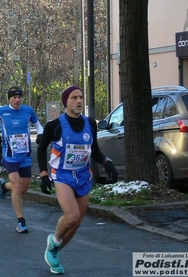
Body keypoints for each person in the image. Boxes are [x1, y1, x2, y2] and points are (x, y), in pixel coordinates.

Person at [37, 85, 118, 274]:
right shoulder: (54, 125)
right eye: (74, 98)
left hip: (83, 175)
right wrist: (43, 175)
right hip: (62, 175)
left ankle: (55, 251)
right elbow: (41, 149)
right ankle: (54, 241)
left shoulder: (90, 123)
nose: (79, 101)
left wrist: (107, 163)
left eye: (81, 97)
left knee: (77, 221)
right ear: (66, 102)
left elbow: (94, 150)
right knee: (71, 216)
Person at [0, 86, 44, 233]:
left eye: (19, 97)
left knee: (23, 189)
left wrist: (40, 134)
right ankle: (21, 221)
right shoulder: (2, 111)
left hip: (25, 156)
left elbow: (38, 125)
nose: (17, 100)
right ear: (9, 99)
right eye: (14, 97)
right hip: (10, 155)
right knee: (17, 186)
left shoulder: (28, 110)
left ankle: (4, 186)